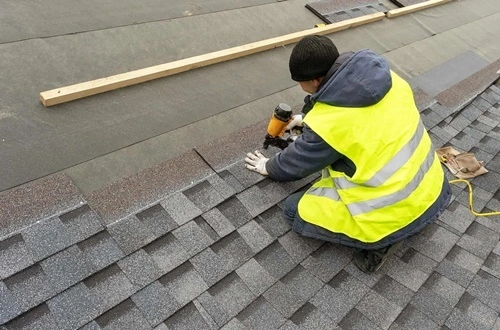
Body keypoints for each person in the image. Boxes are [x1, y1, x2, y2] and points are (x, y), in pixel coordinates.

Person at [244, 35, 451, 273]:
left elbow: (294, 166)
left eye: (300, 83)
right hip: (431, 187)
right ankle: (396, 225)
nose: (300, 87)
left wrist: (267, 166)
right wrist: (308, 121)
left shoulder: (330, 126)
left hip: (393, 209)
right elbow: (364, 121)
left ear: (313, 80)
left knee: (293, 210)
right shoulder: (390, 80)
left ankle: (380, 241)